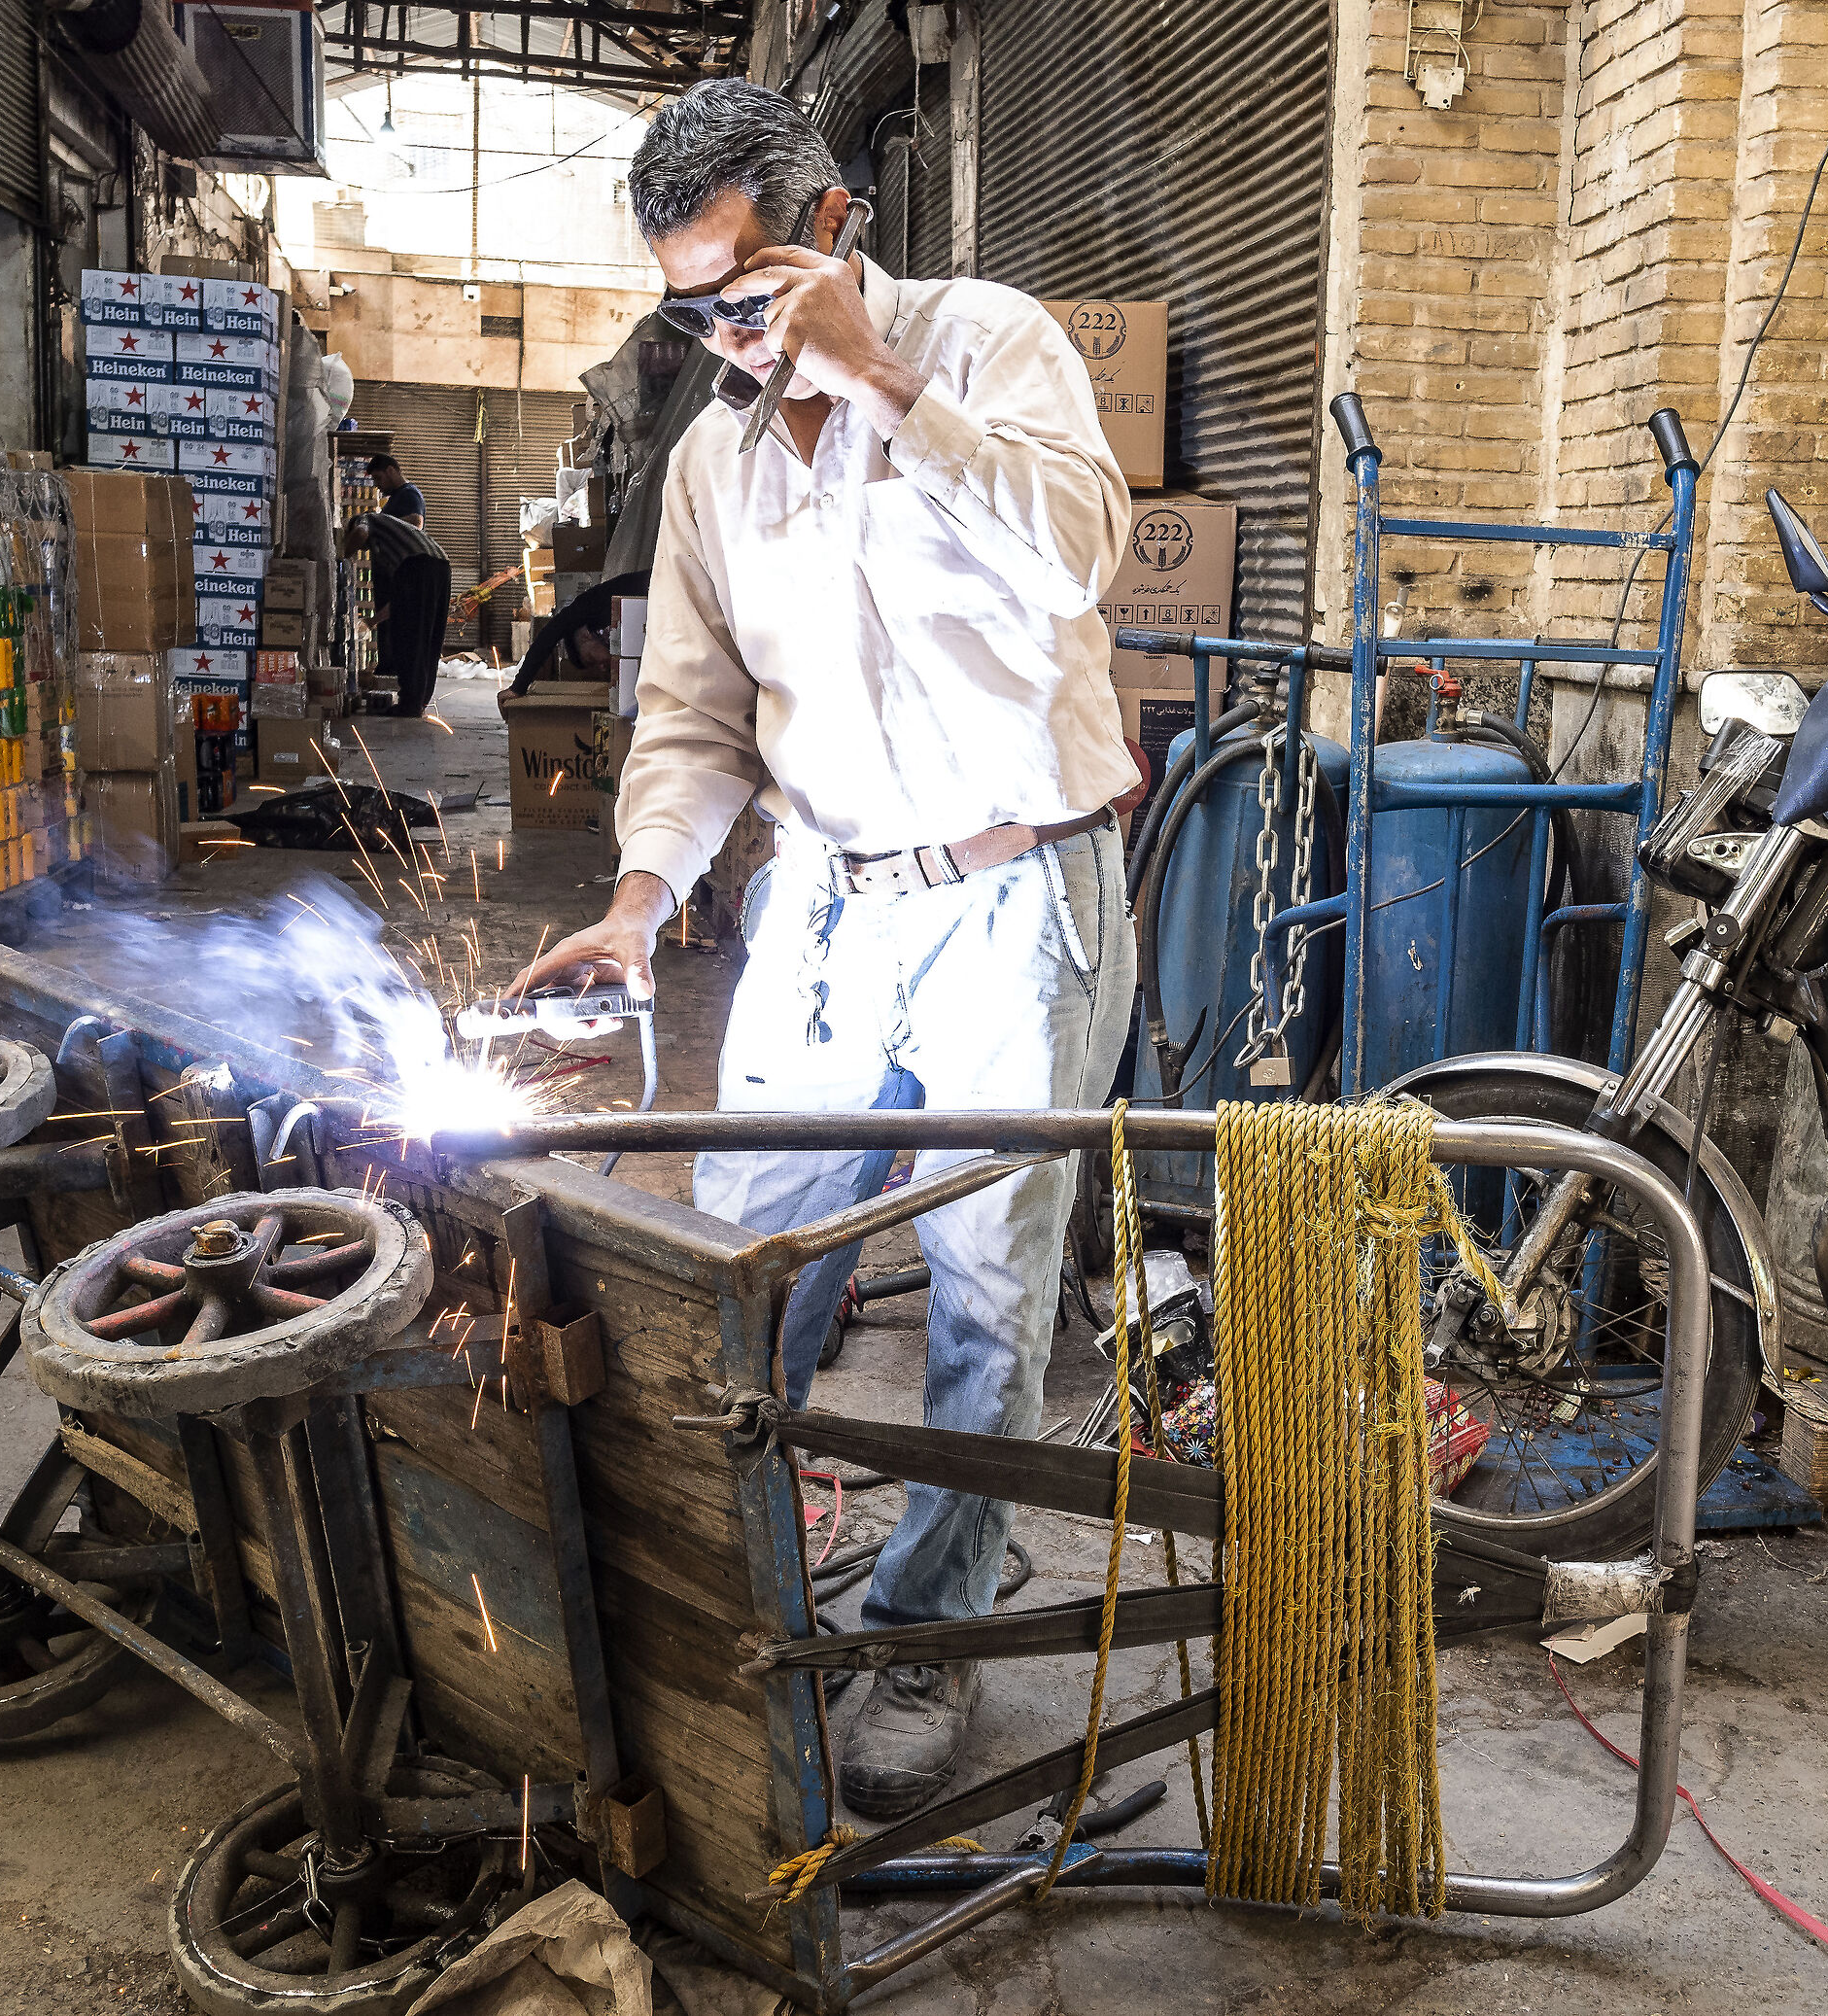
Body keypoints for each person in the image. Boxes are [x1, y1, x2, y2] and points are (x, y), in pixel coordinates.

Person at [509, 78, 1138, 1820]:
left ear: (837, 221)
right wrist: (642, 901)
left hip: (1020, 899)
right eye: (690, 306)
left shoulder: (991, 344)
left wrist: (880, 374)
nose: (728, 334)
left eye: (751, 287)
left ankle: (930, 1633)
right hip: (826, 899)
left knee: (988, 1288)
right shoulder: (714, 458)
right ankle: (741, 1573)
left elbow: (1083, 555)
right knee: (746, 1258)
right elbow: (699, 715)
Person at [342, 510, 450, 717]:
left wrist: (341, 556)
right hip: (441, 564)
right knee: (428, 636)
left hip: (419, 564)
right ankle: (420, 700)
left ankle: (410, 704)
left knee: (408, 636)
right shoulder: (394, 536)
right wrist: (372, 621)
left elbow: (361, 533)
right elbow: (398, 603)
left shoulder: (368, 518)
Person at [509, 569, 651, 696]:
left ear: (585, 636)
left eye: (591, 659)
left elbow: (549, 634)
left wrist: (517, 688)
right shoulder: (614, 640)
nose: (602, 668)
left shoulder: (588, 607)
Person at [366, 453, 427, 527]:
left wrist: (380, 522)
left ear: (390, 471)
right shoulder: (396, 495)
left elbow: (417, 522)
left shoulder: (409, 493)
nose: (376, 484)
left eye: (378, 478)